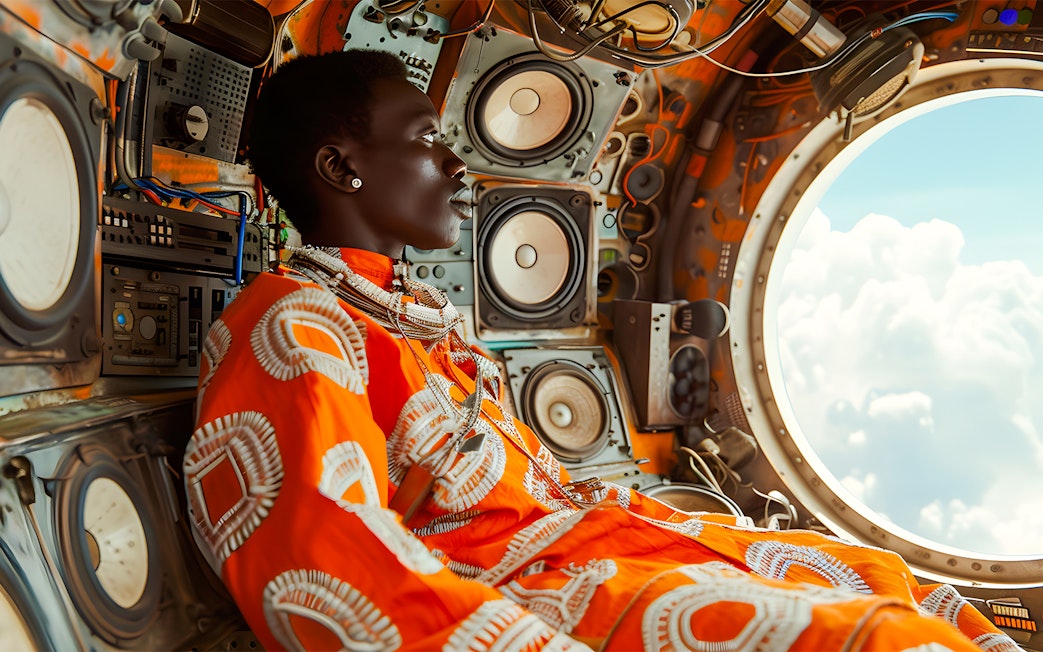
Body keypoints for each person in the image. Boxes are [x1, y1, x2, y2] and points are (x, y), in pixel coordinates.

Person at [182, 49, 1018, 651]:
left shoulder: (420, 317)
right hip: (523, 587)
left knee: (899, 583)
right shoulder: (293, 323)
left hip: (599, 537)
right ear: (342, 168)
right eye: (427, 139)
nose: (457, 165)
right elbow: (324, 564)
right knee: (881, 638)